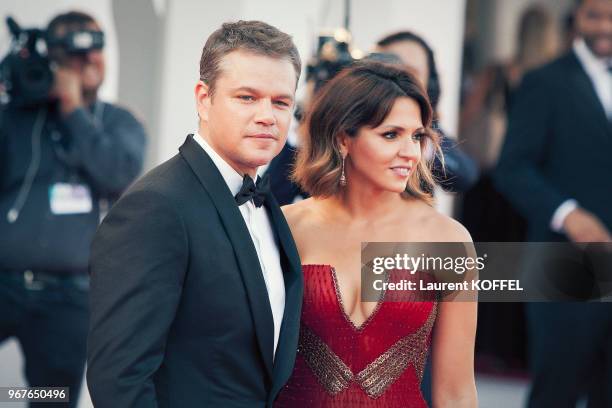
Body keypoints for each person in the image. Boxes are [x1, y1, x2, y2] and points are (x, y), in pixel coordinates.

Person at [87, 20, 303, 407]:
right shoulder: (155, 208)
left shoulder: (268, 204)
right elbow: (119, 378)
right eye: (247, 97)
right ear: (204, 99)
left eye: (281, 102)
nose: (268, 116)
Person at [274, 61, 477, 407]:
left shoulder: (448, 240)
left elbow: (456, 391)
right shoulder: (286, 227)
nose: (410, 152)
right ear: (343, 138)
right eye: (390, 135)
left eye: (416, 136)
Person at [0, 11, 146, 407]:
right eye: (72, 51)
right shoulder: (14, 119)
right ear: (50, 56)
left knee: (50, 398)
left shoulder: (118, 121)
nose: (87, 60)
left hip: (68, 296)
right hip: (4, 280)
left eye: (95, 48)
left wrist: (71, 108)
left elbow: (118, 175)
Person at [494, 0, 612, 406]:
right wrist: (569, 214)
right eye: (595, 15)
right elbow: (512, 167)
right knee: (556, 388)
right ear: (577, 18)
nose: (605, 26)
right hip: (565, 259)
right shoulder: (544, 81)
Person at [375, 31, 479, 193]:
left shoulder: (425, 129)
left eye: (410, 73)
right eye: (388, 70)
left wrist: (424, 144)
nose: (397, 81)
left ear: (428, 86)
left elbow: (465, 174)